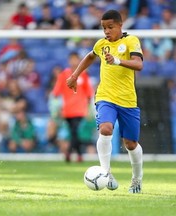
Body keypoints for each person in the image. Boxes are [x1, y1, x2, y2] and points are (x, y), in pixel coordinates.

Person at [66, 10, 144, 193]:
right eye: (104, 28)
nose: (106, 31)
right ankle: (106, 173)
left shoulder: (131, 41)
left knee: (130, 144)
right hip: (105, 97)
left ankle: (136, 179)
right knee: (106, 129)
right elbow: (90, 56)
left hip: (127, 100)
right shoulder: (101, 44)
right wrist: (75, 75)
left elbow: (139, 64)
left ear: (120, 26)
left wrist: (117, 61)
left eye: (110, 27)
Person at [52, 52, 94, 162]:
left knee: (75, 131)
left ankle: (69, 153)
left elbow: (89, 93)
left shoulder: (83, 75)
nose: (74, 62)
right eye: (72, 59)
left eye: (76, 59)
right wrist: (56, 108)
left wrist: (89, 109)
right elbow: (56, 92)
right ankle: (79, 154)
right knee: (73, 132)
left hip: (80, 109)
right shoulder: (64, 75)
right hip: (67, 110)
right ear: (69, 60)